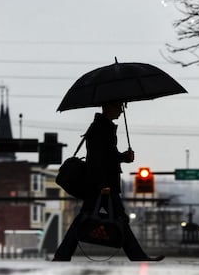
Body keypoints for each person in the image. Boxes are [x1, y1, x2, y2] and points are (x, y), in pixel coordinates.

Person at [53, 101, 165, 262]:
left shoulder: (102, 127)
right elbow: (98, 160)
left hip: (100, 183)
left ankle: (62, 254)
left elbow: (108, 156)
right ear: (108, 107)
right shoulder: (102, 128)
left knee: (94, 217)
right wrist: (102, 184)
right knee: (116, 218)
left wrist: (124, 157)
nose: (120, 111)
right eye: (118, 107)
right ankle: (137, 256)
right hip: (103, 184)